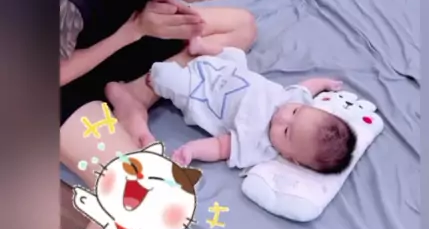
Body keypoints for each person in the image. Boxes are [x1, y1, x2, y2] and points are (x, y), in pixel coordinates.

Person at [60, 0, 269, 189]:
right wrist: (133, 30)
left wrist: (150, 11)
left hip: (108, 32)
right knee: (137, 189)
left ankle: (134, 97)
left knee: (242, 26)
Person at [109, 47, 356, 173]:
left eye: (286, 132)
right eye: (294, 113)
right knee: (235, 53)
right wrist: (324, 83)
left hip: (200, 92)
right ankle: (202, 47)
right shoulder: (295, 99)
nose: (282, 117)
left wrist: (192, 150)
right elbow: (307, 88)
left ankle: (154, 79)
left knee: (170, 80)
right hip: (226, 71)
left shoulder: (258, 146)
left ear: (291, 157)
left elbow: (221, 147)